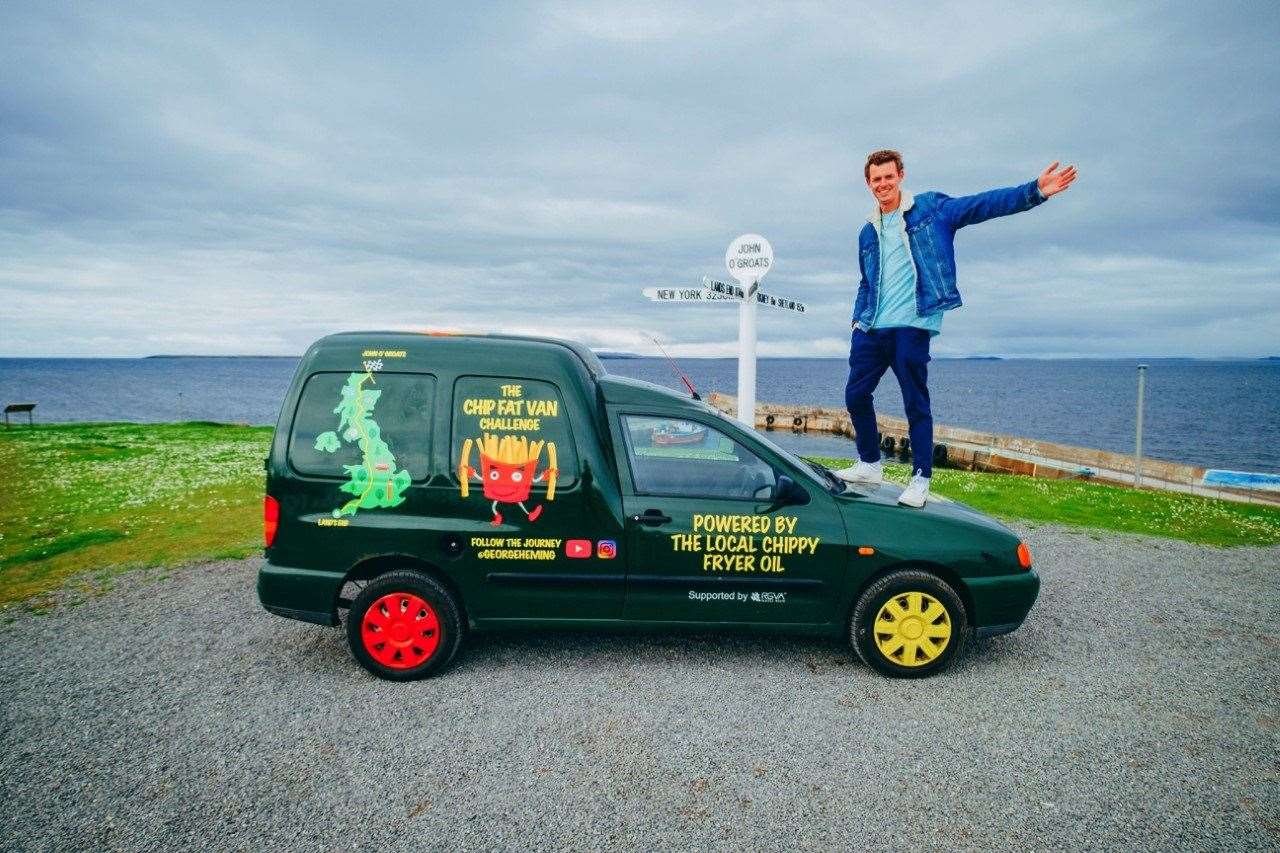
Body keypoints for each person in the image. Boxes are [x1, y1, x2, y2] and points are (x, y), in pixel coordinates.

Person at [835, 150, 1077, 506]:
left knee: (915, 403)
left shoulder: (932, 210)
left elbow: (981, 205)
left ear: (900, 175)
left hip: (912, 325)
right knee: (855, 396)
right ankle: (870, 464)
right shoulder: (867, 232)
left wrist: (1034, 191)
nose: (882, 184)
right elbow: (865, 282)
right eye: (876, 179)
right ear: (868, 184)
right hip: (872, 328)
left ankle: (920, 478)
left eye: (888, 177)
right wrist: (857, 321)